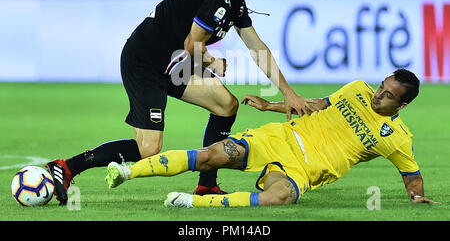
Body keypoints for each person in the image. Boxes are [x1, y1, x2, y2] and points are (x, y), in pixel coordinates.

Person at [46, 0, 312, 205]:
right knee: (149, 149)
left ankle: (207, 186)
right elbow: (193, 45)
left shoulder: (235, 1)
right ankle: (67, 167)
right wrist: (212, 63)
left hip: (172, 65)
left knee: (226, 105)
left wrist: (288, 93)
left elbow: (259, 49)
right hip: (145, 62)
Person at [105, 69, 438, 207]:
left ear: (402, 104)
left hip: (303, 171)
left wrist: (417, 197)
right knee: (210, 156)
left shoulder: (397, 138)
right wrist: (269, 106)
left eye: (388, 95)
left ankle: (193, 202)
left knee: (279, 198)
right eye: (382, 86)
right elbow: (312, 106)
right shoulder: (356, 90)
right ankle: (127, 172)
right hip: (279, 138)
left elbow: (412, 176)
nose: (378, 95)